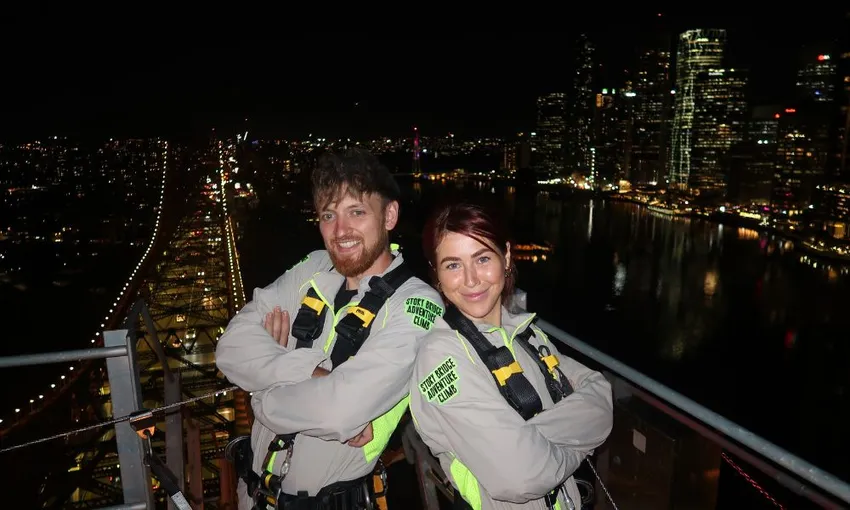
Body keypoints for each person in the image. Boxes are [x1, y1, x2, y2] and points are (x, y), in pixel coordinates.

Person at [216, 148, 444, 510]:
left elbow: (338, 411)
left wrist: (261, 394)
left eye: (356, 212)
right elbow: (230, 349)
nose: (341, 231)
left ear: (389, 215)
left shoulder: (417, 305)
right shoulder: (314, 268)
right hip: (253, 497)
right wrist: (308, 371)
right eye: (328, 215)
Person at [409, 201, 613, 510]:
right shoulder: (442, 357)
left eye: (482, 258)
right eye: (453, 265)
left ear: (505, 256)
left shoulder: (526, 333)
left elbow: (600, 395)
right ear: (436, 273)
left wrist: (534, 443)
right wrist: (578, 448)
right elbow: (522, 478)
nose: (471, 279)